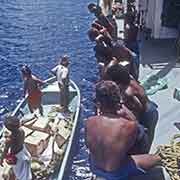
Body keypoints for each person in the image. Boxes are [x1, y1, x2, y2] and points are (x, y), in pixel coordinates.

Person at [85, 81, 161, 180]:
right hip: (116, 173)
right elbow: (140, 146)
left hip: (95, 167)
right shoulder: (129, 126)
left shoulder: (89, 122)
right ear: (119, 101)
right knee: (158, 159)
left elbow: (89, 145)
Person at [105, 64, 158, 149]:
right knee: (148, 135)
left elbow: (139, 106)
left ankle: (145, 153)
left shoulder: (127, 92)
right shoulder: (130, 80)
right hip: (150, 107)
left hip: (148, 113)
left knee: (146, 139)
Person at [0, 116, 32, 180]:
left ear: (9, 128)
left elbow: (5, 151)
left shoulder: (9, 140)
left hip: (17, 157)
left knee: (21, 174)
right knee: (26, 170)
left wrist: (1, 160)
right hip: (23, 150)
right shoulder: (21, 131)